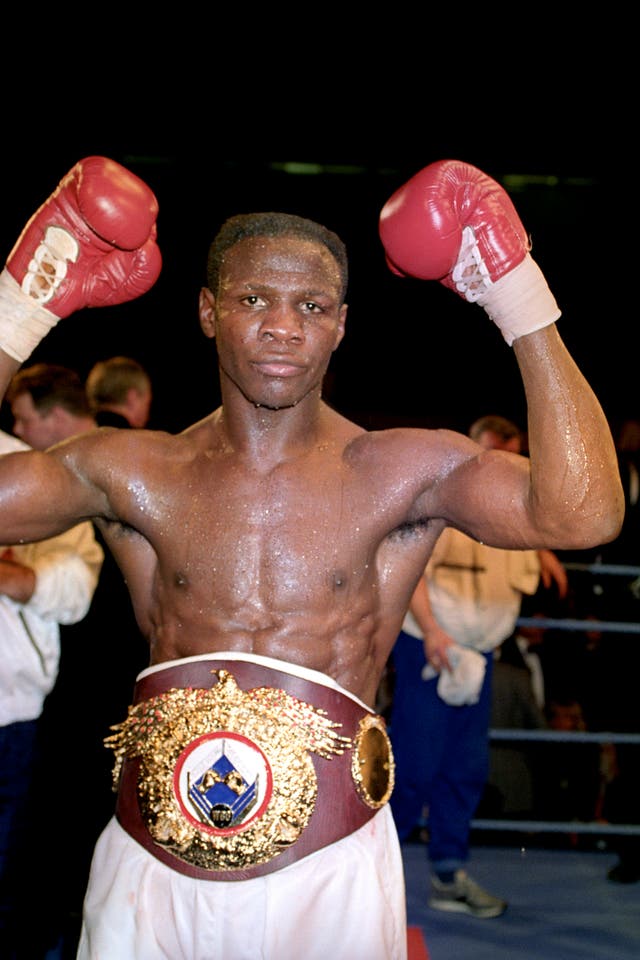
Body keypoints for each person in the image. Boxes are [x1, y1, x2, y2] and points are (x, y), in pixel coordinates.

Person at [0, 154, 624, 960]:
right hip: (148, 870)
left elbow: (584, 513)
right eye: (253, 298)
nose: (282, 325)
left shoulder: (400, 472)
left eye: (311, 304)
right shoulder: (131, 470)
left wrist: (515, 293)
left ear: (340, 324)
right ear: (207, 311)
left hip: (326, 870)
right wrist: (20, 305)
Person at [388, 415, 568, 918]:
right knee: (413, 769)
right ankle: (372, 875)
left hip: (478, 650)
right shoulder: (433, 499)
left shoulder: (506, 514)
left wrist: (545, 547)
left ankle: (448, 876)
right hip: (428, 643)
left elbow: (524, 532)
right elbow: (408, 568)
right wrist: (432, 631)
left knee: (464, 768)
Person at [5, 362, 150, 955]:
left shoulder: (70, 470)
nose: (16, 433)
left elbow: (72, 590)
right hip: (131, 682)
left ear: (58, 417)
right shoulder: (151, 453)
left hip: (76, 691)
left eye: (22, 420)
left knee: (51, 841)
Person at [0, 428, 103, 957]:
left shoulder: (28, 468)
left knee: (10, 870)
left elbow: (75, 586)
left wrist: (20, 578)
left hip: (12, 714)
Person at [85, 355, 153, 428]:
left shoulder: (77, 433)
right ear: (132, 398)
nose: (148, 416)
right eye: (147, 404)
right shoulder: (139, 438)